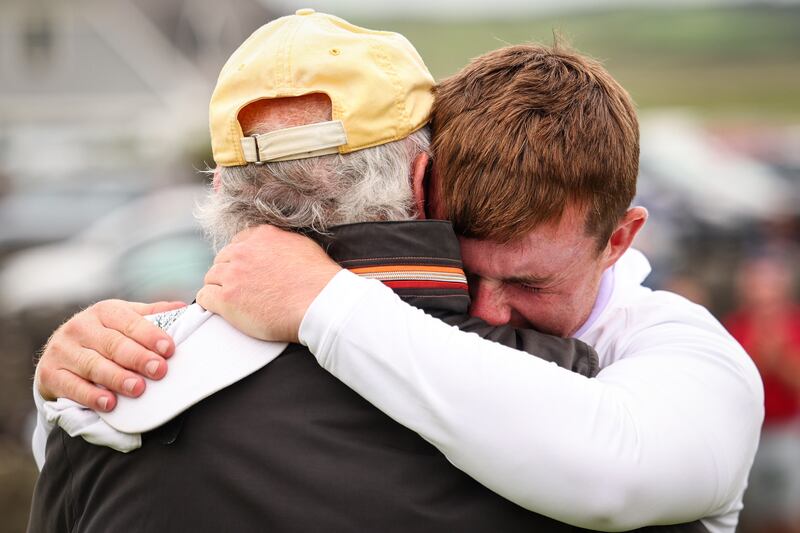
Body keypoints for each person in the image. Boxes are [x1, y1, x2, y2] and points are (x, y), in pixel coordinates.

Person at [31, 10, 763, 533]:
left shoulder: (687, 357)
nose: (489, 313)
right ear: (424, 188)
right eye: (467, 268)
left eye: (531, 283)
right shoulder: (149, 361)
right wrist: (67, 375)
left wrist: (324, 300)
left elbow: (617, 472)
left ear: (621, 238)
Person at [725, 254, 800, 533]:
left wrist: (780, 357)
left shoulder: (795, 324)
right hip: (750, 434)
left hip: (787, 433)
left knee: (787, 512)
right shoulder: (735, 326)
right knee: (752, 515)